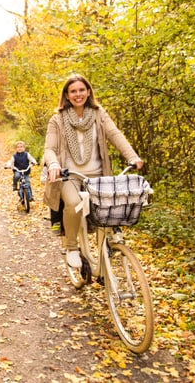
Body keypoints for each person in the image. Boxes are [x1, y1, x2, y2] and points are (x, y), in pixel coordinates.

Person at [43, 74, 143, 268]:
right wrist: (53, 164)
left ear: (88, 92)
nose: (78, 94)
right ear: (67, 95)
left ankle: (104, 254)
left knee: (105, 212)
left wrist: (132, 156)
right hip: (69, 175)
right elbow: (49, 148)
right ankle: (72, 247)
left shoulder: (99, 114)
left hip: (98, 174)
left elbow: (115, 134)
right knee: (73, 203)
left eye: (81, 90)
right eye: (73, 91)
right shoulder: (57, 119)